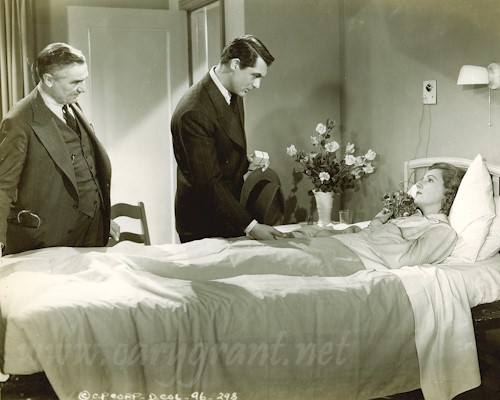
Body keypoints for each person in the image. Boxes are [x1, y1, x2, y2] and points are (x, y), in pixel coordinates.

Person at [0, 42, 119, 256]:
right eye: (76, 82)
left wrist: (102, 216)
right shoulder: (18, 120)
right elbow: (3, 186)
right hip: (49, 239)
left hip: (92, 231)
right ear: (48, 80)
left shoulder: (71, 105)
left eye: (84, 79)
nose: (83, 88)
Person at [170, 35, 284, 243]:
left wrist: (245, 163)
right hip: (203, 224)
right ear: (235, 64)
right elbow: (208, 183)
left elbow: (219, 156)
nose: (257, 85)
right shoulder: (194, 111)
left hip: (228, 214)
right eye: (255, 75)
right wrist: (252, 227)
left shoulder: (233, 93)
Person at [290, 162, 465, 269]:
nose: (419, 183)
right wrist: (378, 222)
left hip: (354, 258)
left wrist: (384, 227)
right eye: (423, 178)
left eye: (430, 180)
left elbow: (402, 262)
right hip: (345, 247)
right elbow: (370, 236)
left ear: (448, 193)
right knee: (286, 249)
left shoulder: (442, 231)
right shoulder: (411, 217)